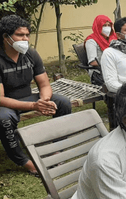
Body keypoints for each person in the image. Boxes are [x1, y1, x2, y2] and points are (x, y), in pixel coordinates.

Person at [0, 15, 71, 176]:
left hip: (29, 98)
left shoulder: (30, 54)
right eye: (20, 35)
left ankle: (56, 150)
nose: (25, 39)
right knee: (3, 119)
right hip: (5, 105)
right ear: (6, 37)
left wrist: (44, 101)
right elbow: (1, 98)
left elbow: (45, 84)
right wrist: (34, 106)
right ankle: (26, 162)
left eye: (27, 35)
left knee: (63, 102)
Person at [84, 15, 117, 86]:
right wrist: (112, 64)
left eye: (109, 25)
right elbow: (93, 62)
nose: (107, 28)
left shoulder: (113, 38)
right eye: (104, 25)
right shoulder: (91, 41)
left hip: (115, 69)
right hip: (99, 72)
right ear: (98, 26)